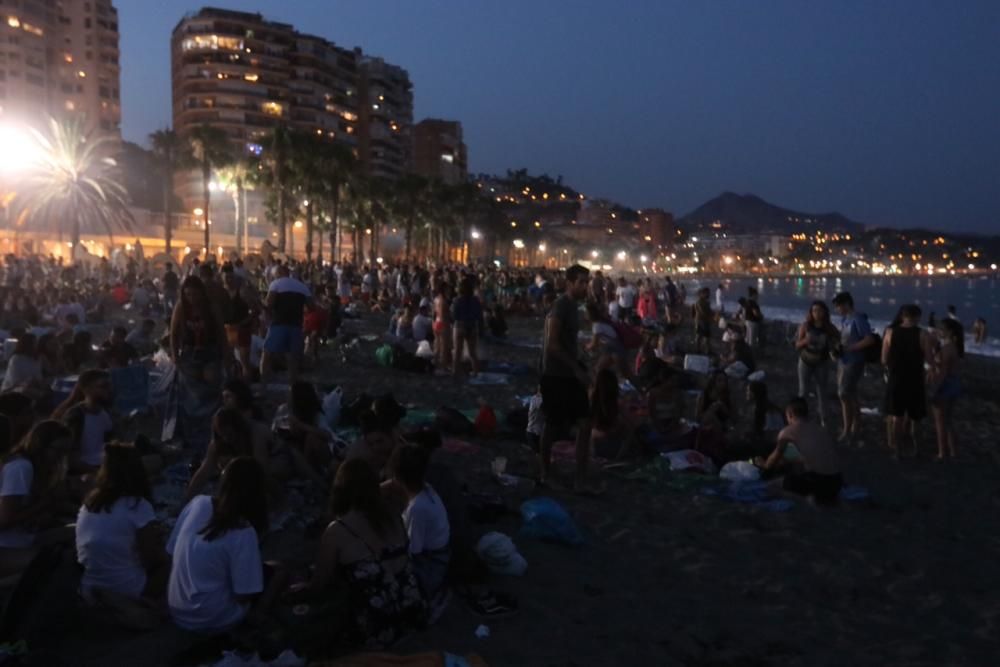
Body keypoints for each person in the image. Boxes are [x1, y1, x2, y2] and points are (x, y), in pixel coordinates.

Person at [286, 459, 427, 649]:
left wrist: (304, 588)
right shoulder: (393, 514)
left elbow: (320, 583)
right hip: (412, 611)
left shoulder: (338, 531)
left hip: (378, 628)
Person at [167, 458, 283, 632]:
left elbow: (171, 551)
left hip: (177, 610)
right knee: (280, 571)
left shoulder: (198, 503)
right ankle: (258, 616)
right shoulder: (243, 531)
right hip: (214, 619)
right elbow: (243, 595)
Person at [76, 442, 168, 603]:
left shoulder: (90, 502)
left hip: (89, 586)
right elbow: (151, 559)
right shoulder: (137, 505)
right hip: (127, 588)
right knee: (174, 562)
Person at [540, 265, 602, 494]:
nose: (586, 286)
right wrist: (576, 369)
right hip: (556, 374)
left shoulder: (575, 307)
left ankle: (580, 480)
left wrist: (583, 360)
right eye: (582, 282)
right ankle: (545, 474)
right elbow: (553, 344)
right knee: (552, 426)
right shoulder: (561, 306)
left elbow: (568, 343)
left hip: (571, 372)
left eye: (587, 282)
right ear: (570, 283)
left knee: (585, 424)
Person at [0, 421, 74, 576]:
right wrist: (45, 503)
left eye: (66, 452)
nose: (61, 457)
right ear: (41, 446)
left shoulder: (36, 469)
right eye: (58, 451)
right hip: (6, 548)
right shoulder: (21, 468)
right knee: (63, 562)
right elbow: (5, 520)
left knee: (79, 533)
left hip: (24, 539)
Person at [390, 444, 450, 617]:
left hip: (431, 563)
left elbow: (413, 551)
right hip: (437, 553)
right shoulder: (425, 489)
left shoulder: (417, 508)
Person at [170, 276, 227, 449]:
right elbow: (173, 332)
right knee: (190, 393)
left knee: (211, 388)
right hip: (189, 353)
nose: (191, 298)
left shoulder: (212, 308)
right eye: (188, 294)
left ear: (202, 293)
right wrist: (175, 356)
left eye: (194, 294)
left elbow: (220, 334)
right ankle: (191, 432)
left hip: (209, 351)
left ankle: (211, 429)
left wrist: (227, 357)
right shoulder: (182, 307)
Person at [757, 398, 842, 505]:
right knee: (799, 467)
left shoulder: (787, 431)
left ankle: (807, 500)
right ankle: (828, 498)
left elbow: (772, 460)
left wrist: (764, 466)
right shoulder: (820, 429)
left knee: (770, 487)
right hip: (837, 482)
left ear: (790, 414)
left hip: (817, 482)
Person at [185, 408, 270, 501]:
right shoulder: (218, 442)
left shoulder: (256, 433)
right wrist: (186, 501)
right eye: (222, 436)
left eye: (229, 435)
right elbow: (203, 473)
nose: (226, 439)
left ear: (238, 428)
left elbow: (261, 469)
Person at [881, 304, 933, 457]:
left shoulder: (890, 332)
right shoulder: (923, 334)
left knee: (897, 417)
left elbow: (884, 359)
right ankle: (916, 449)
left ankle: (897, 449)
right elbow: (929, 359)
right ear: (917, 317)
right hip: (915, 379)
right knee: (915, 417)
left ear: (903, 316)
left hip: (896, 378)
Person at [832, 292, 876, 445]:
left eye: (838, 305)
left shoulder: (858, 318)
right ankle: (852, 426)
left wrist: (851, 348)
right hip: (844, 360)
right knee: (849, 395)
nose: (837, 309)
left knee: (844, 394)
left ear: (846, 304)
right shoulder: (845, 319)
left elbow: (869, 339)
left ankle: (849, 428)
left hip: (854, 361)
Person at [53, 369, 115, 473]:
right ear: (87, 390)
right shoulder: (76, 416)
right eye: (103, 386)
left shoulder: (106, 414)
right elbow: (71, 459)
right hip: (85, 471)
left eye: (109, 386)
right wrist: (99, 473)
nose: (109, 390)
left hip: (103, 465)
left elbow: (109, 445)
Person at [260, 265, 312, 384]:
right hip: (296, 326)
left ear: (278, 273)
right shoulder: (302, 286)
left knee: (267, 354)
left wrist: (259, 304)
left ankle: (263, 385)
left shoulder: (276, 284)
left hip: (279, 324)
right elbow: (311, 307)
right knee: (293, 358)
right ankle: (293, 388)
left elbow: (269, 305)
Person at [795, 301, 839, 427]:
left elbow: (838, 339)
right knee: (803, 391)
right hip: (805, 361)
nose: (817, 313)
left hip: (822, 362)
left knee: (822, 391)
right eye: (814, 311)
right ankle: (801, 418)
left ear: (825, 312)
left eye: (820, 310)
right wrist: (804, 341)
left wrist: (834, 347)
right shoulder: (805, 326)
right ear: (811, 313)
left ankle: (824, 418)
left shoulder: (829, 327)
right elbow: (797, 345)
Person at [929, 318, 963, 460]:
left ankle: (942, 452)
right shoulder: (955, 347)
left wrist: (934, 389)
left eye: (942, 329)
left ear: (949, 332)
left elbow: (941, 373)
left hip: (945, 386)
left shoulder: (946, 349)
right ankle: (954, 451)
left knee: (940, 421)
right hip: (954, 384)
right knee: (949, 420)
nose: (939, 331)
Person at [223, 271, 256, 379]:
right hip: (228, 328)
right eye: (226, 278)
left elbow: (254, 310)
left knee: (244, 361)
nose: (228, 280)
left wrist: (244, 322)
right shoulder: (223, 292)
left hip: (242, 329)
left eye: (230, 277)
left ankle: (246, 387)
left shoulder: (243, 292)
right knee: (228, 361)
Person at [451, 276, 483, 376]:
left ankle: (456, 371)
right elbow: (479, 315)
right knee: (472, 352)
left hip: (459, 326)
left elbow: (454, 315)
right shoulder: (475, 300)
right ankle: (475, 372)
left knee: (457, 351)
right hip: (472, 326)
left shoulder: (457, 300)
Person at [691, 287, 713, 354]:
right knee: (702, 336)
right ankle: (701, 350)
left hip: (702, 321)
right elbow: (703, 312)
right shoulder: (700, 302)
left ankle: (702, 350)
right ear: (703, 293)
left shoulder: (705, 301)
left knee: (702, 336)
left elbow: (708, 311)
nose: (709, 295)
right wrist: (712, 317)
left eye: (709, 293)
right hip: (701, 321)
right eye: (707, 293)